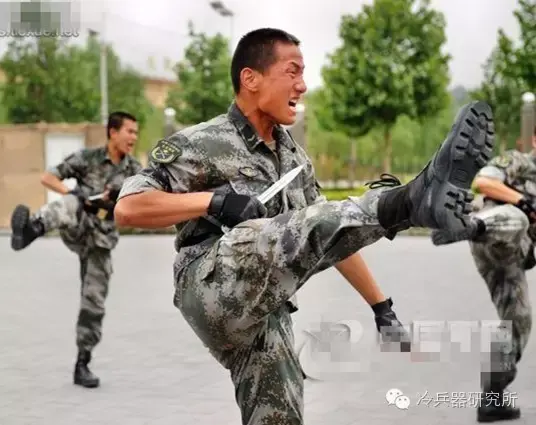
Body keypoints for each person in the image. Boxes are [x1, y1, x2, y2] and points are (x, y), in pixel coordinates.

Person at [114, 28, 494, 425]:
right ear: (251, 78)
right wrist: (213, 201)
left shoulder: (295, 158)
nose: (303, 85)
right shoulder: (201, 142)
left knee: (280, 416)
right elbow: (129, 208)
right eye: (292, 72)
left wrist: (381, 308)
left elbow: (324, 233)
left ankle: (410, 200)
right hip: (210, 285)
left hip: (265, 304)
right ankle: (410, 200)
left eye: (304, 73)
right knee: (260, 235)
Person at [10, 111, 143, 389]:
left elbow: (139, 206)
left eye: (135, 132)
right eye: (129, 131)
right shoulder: (88, 158)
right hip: (78, 226)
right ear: (112, 132)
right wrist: (77, 195)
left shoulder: (134, 171)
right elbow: (48, 178)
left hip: (102, 240)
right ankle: (30, 230)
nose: (134, 137)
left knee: (93, 303)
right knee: (69, 202)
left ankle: (82, 364)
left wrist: (109, 204)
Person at [431, 127, 536, 422]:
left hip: (514, 256)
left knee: (518, 323)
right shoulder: (516, 161)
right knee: (517, 217)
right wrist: (523, 201)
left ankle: (493, 399)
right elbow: (484, 181)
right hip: (489, 235)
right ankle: (467, 224)